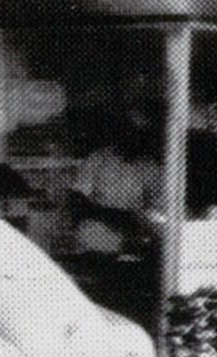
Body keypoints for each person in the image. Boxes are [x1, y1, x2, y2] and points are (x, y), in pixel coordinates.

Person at [68, 105, 163, 257]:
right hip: (100, 227)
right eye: (129, 131)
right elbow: (77, 199)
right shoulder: (98, 158)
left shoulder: (150, 166)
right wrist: (111, 215)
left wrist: (139, 219)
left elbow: (159, 207)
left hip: (136, 230)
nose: (134, 138)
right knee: (88, 231)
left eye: (140, 133)